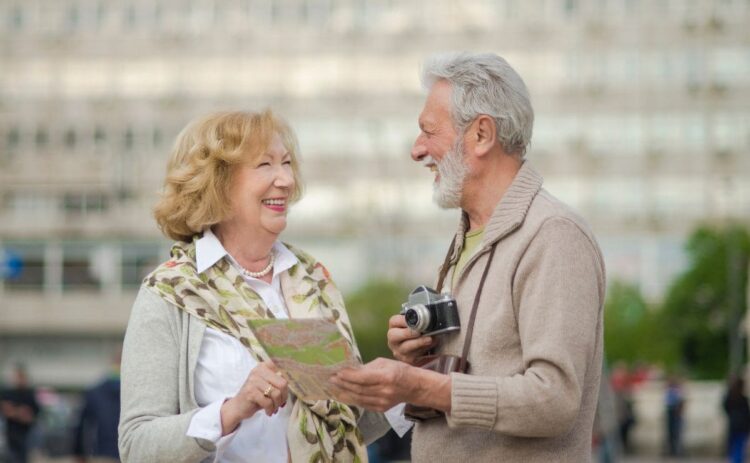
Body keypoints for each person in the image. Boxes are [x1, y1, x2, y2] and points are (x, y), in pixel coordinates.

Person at [331, 52, 606, 462]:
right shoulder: (468, 236)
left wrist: (420, 386)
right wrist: (416, 360)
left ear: (481, 135)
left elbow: (554, 399)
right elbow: (473, 373)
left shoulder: (554, 235)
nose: (416, 149)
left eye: (429, 131)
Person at [118, 110, 390, 462]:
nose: (286, 180)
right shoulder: (170, 292)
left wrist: (408, 379)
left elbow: (345, 425)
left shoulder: (309, 279)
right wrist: (233, 409)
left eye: (287, 163)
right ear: (218, 182)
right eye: (265, 165)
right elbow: (137, 445)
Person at [73, 353, 121, 462]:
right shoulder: (142, 393)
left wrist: (78, 452)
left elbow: (81, 426)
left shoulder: (94, 391)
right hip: (133, 455)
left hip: (102, 453)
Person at [0, 364, 40, 463]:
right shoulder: (7, 393)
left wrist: (15, 412)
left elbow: (31, 415)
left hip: (26, 435)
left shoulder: (30, 394)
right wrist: (19, 413)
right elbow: (6, 410)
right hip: (10, 435)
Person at [723, 376, 750, 463]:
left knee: (733, 445)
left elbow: (725, 407)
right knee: (739, 446)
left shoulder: (730, 397)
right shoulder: (743, 399)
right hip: (742, 426)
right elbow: (747, 414)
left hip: (733, 425)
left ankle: (734, 460)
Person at [664, 375, 685, 457]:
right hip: (672, 412)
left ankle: (676, 451)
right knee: (671, 433)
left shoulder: (677, 391)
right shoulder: (671, 391)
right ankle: (672, 450)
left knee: (676, 433)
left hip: (675, 413)